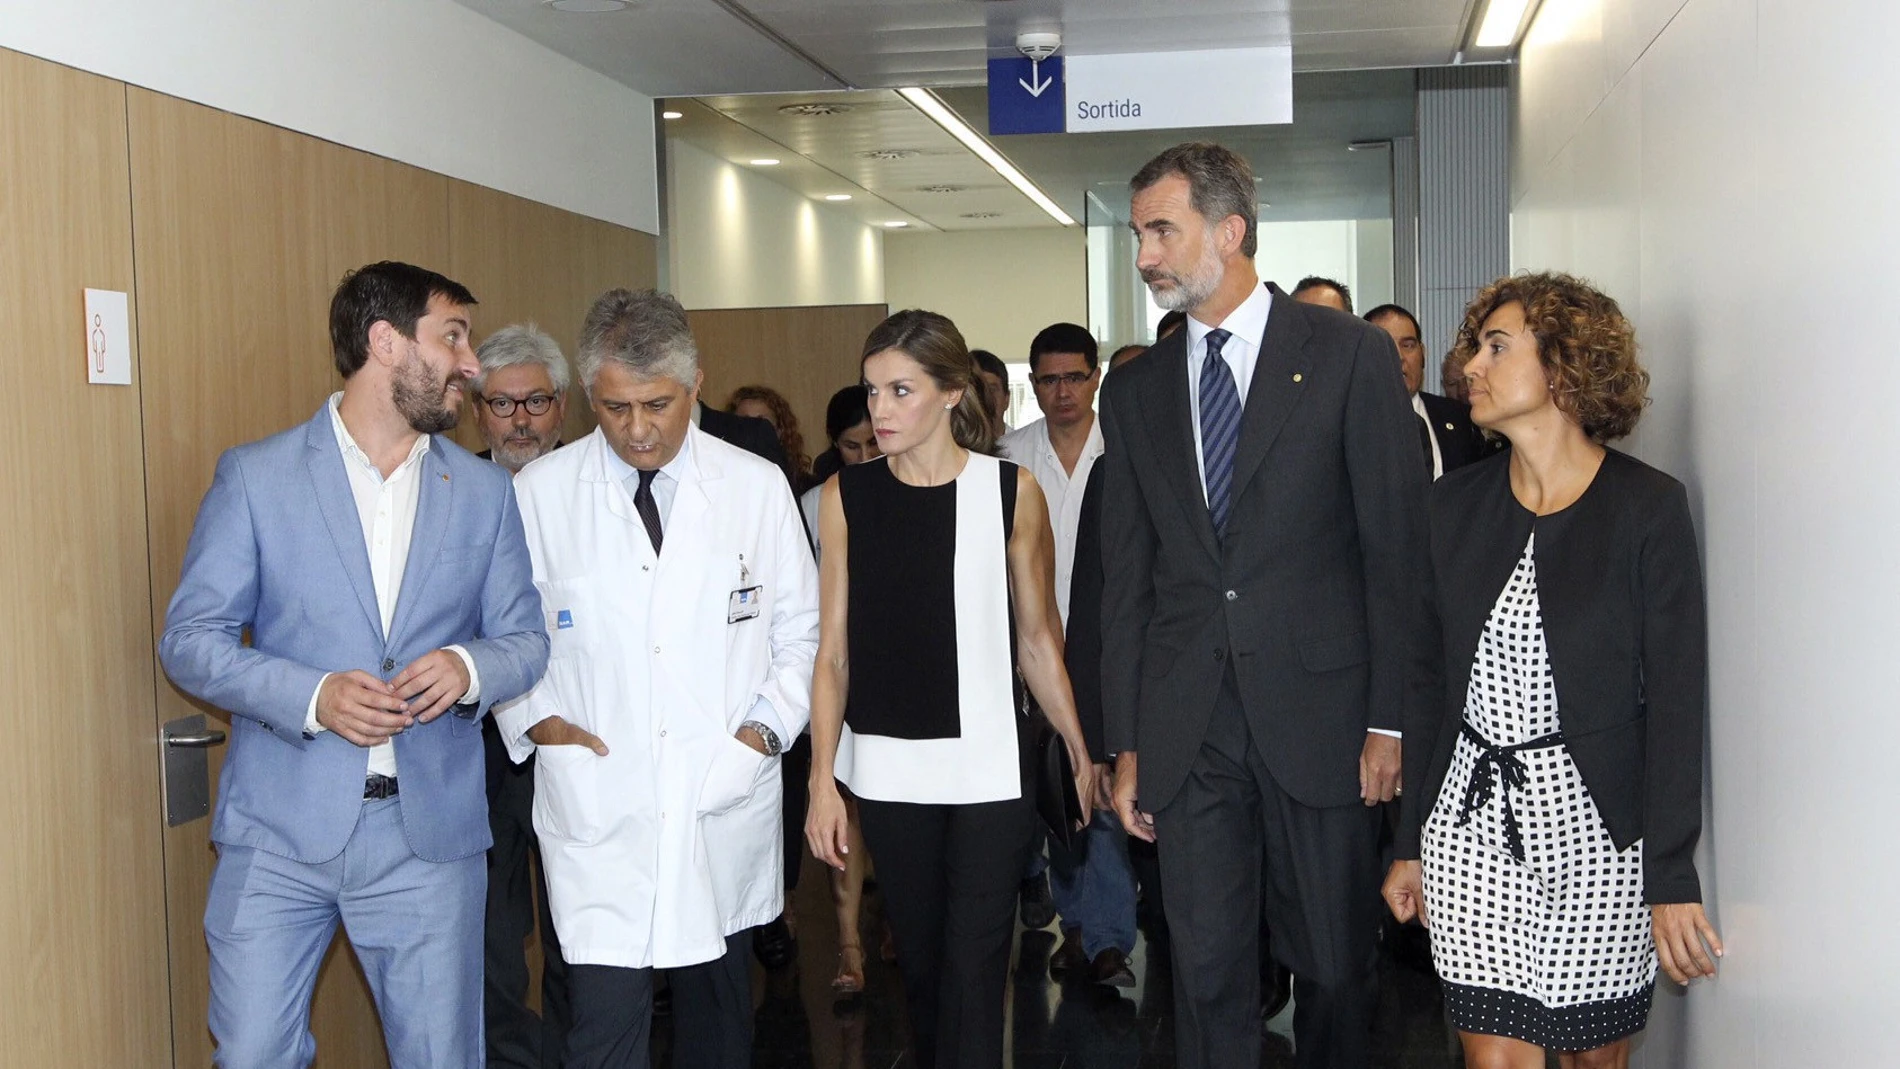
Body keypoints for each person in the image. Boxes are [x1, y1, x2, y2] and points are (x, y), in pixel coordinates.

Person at [159, 261, 550, 1067]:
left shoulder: (483, 494)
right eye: (452, 336)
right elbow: (190, 636)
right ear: (385, 342)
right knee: (253, 1052)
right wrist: (313, 694)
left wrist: (467, 669)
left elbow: (525, 640)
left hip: (428, 840)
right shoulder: (257, 476)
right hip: (277, 834)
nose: (470, 363)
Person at [1101, 143, 1430, 1069]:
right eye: (1137, 235)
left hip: (1323, 720)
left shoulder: (1349, 355)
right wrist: (1127, 741)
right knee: (1203, 971)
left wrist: (1390, 722)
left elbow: (1395, 556)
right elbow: (1127, 575)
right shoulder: (1136, 388)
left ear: (1230, 230)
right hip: (1190, 725)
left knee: (1332, 967)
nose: (1145, 256)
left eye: (1162, 230)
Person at [1382, 273, 1722, 1069]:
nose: (1471, 364)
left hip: (1599, 831)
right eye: (1475, 346)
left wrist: (1671, 872)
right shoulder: (1449, 508)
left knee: (1589, 1060)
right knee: (1495, 1056)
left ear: (1565, 365)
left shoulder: (1648, 508)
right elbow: (1426, 687)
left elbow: (1676, 702)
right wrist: (1410, 843)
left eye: (1498, 347)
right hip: (1471, 825)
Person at [493, 288, 819, 1069]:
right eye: (614, 408)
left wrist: (758, 737)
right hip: (600, 803)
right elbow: (505, 633)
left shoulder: (754, 486)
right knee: (601, 1028)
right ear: (588, 398)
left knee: (718, 1027)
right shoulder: (539, 495)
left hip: (720, 789)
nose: (637, 429)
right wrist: (538, 719)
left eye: (657, 405)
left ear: (695, 383)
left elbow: (800, 634)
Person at [805, 310, 1095, 1069]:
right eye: (872, 393)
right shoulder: (846, 499)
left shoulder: (1011, 490)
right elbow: (831, 653)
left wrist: (1075, 741)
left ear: (951, 392)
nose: (881, 411)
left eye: (901, 390)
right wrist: (821, 782)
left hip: (993, 769)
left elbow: (1037, 638)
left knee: (975, 965)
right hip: (891, 772)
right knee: (927, 972)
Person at [1000, 322, 1137, 988]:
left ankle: (1107, 931)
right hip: (1037, 649)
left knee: (1104, 779)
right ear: (1033, 385)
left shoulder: (1127, 448)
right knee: (1058, 785)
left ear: (1096, 377)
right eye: (1048, 379)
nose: (1062, 392)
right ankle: (1080, 925)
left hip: (1109, 641)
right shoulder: (1009, 457)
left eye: (1074, 377)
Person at [472, 323, 574, 1068]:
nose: (520, 420)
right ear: (480, 411)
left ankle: (577, 1051)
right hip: (477, 746)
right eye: (502, 404)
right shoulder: (452, 492)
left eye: (535, 400)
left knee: (577, 924)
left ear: (561, 407)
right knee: (492, 930)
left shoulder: (594, 491)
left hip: (578, 734)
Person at [795, 383, 884, 993]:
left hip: (899, 672)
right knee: (843, 806)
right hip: (838, 668)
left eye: (874, 442)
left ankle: (898, 923)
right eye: (851, 447)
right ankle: (849, 943)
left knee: (896, 814)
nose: (866, 456)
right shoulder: (813, 504)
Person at [1364, 303, 1490, 479]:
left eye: (1408, 345)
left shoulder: (1461, 418)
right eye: (1384, 346)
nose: (1399, 357)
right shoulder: (1350, 423)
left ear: (1422, 353)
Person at [728, 384, 813, 490]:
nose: (753, 431)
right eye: (745, 423)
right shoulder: (717, 481)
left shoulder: (804, 487)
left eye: (762, 424)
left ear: (780, 431)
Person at [971, 347, 1013, 434]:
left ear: (1006, 399)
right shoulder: (945, 446)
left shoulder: (1023, 446)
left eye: (992, 390)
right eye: (977, 389)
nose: (986, 397)